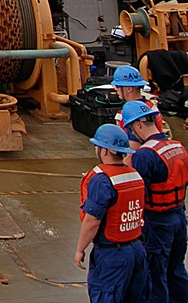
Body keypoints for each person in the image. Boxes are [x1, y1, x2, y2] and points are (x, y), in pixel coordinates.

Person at [74, 123, 148, 303]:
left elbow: (92, 221)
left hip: (112, 255)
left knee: (106, 296)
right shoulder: (135, 175)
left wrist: (79, 250)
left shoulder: (101, 180)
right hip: (137, 250)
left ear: (105, 151)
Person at [123, 100, 188, 303]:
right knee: (176, 270)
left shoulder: (145, 155)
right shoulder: (177, 147)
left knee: (155, 274)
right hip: (179, 216)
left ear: (137, 126)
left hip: (158, 222)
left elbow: (137, 193)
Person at [113, 65, 165, 135]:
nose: (115, 89)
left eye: (117, 86)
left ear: (129, 88)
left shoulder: (124, 114)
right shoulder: (152, 107)